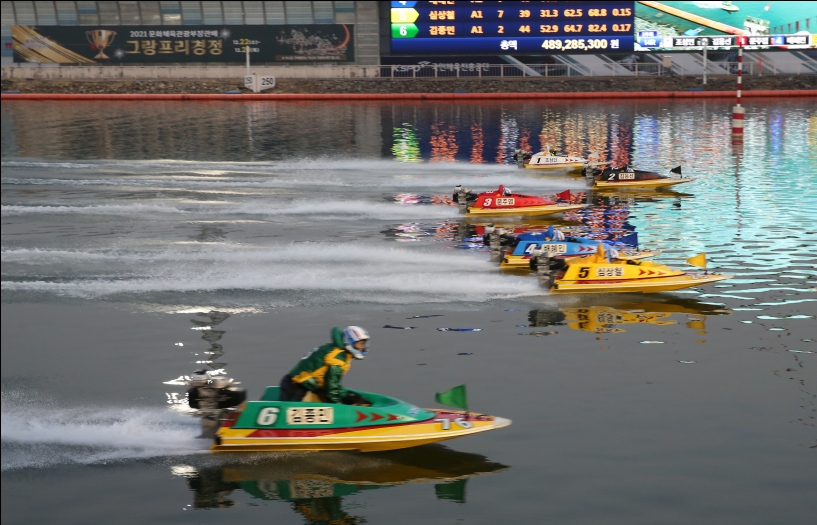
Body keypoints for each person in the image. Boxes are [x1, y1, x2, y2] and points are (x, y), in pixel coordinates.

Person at [279, 326, 370, 404]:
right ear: (350, 342)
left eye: (363, 344)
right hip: (296, 385)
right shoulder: (337, 358)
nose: (362, 347)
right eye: (360, 343)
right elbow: (332, 390)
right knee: (289, 414)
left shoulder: (337, 350)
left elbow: (332, 385)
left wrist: (346, 395)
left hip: (306, 383)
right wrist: (342, 406)